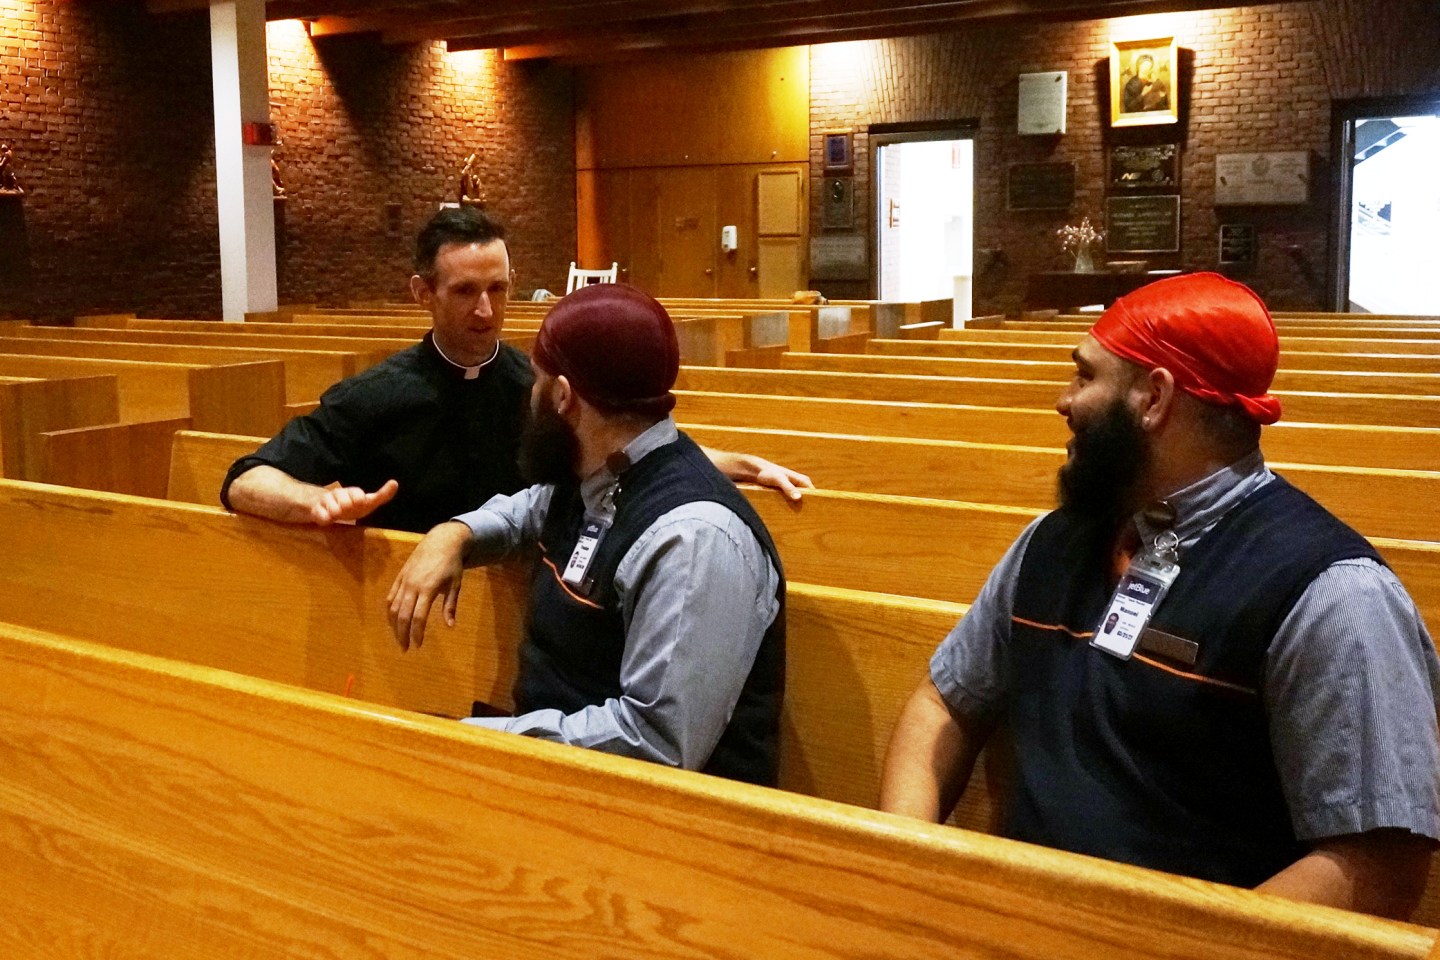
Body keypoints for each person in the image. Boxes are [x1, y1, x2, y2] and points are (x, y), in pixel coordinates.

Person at [879, 272, 1440, 919]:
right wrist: (907, 864)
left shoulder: (1333, 593)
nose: (1065, 401)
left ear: (1153, 398)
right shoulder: (1051, 541)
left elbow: (1379, 866)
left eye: (1085, 377)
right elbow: (945, 701)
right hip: (1012, 920)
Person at [387, 283, 785, 785]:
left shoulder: (694, 540)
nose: (529, 399)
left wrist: (483, 739)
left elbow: (656, 742)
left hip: (662, 828)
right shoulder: (596, 472)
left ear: (562, 397)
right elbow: (528, 510)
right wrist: (454, 534)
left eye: (536, 383)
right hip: (559, 775)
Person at [221, 206, 811, 533]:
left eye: (499, 289)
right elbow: (245, 480)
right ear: (420, 293)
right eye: (465, 291)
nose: (486, 310)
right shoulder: (372, 396)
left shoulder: (537, 386)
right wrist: (313, 504)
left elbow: (620, 446)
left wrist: (738, 464)